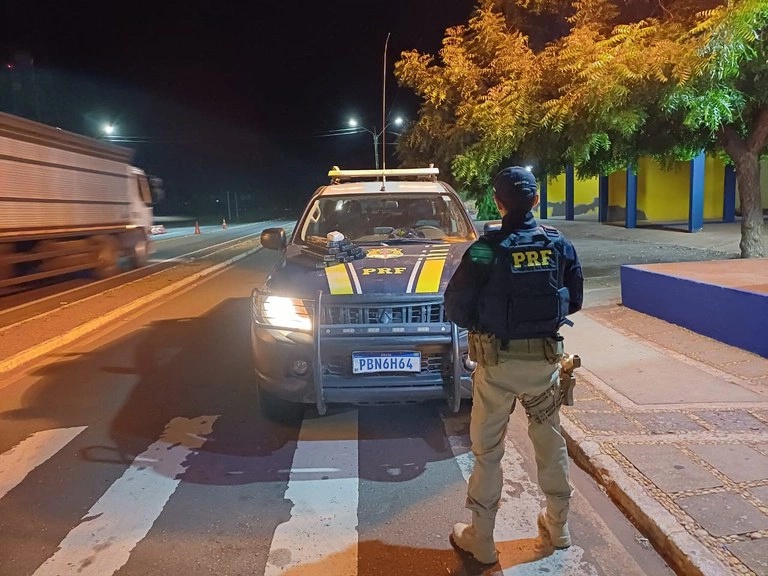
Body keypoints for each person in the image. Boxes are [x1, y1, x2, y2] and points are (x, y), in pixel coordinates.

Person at [444, 166, 583, 564]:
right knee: (550, 442)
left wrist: (484, 322)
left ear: (498, 202)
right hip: (543, 363)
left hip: (497, 364)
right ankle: (559, 528)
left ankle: (482, 539)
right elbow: (573, 300)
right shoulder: (558, 243)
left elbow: (455, 307)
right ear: (536, 200)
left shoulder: (487, 248)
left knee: (488, 452)